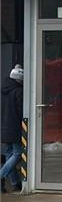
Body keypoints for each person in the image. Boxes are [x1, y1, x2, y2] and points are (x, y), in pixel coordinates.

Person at [1, 64, 25, 192]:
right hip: (15, 127)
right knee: (17, 153)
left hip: (5, 127)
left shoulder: (4, 90)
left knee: (9, 154)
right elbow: (22, 110)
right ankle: (1, 175)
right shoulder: (18, 91)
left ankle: (15, 183)